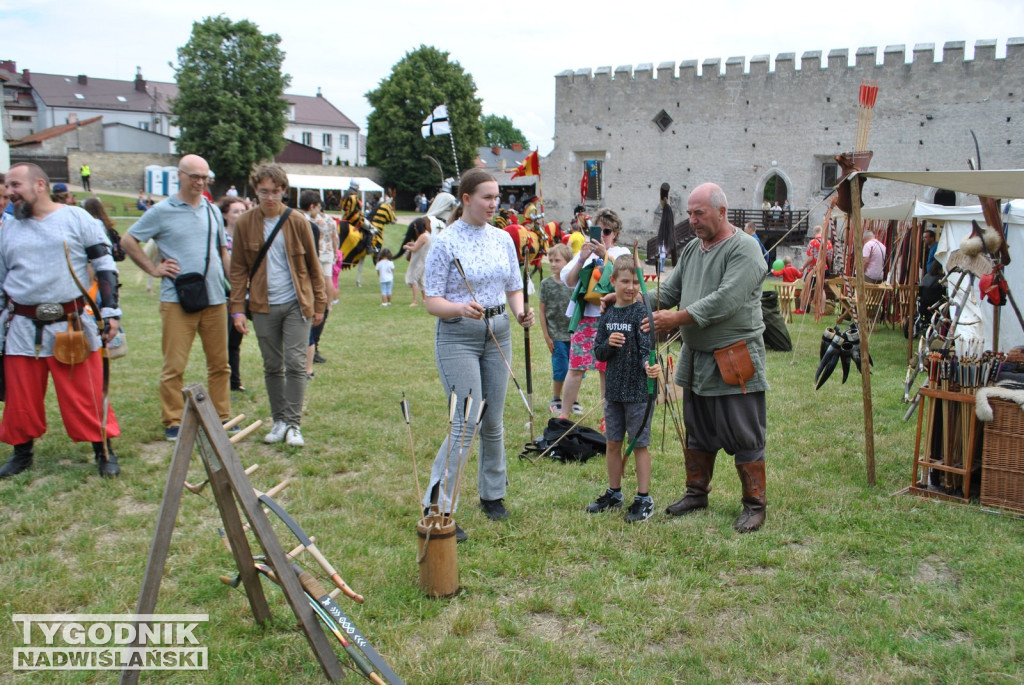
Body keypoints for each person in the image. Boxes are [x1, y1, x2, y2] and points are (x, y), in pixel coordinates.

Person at [421, 168, 535, 541]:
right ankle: (439, 508)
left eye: (497, 197)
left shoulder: (503, 239)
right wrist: (458, 309)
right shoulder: (446, 242)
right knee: (465, 421)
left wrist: (519, 312)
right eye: (487, 197)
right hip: (459, 337)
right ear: (466, 199)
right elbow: (431, 300)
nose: (494, 204)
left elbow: (513, 286)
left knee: (493, 421)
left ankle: (493, 495)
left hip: (499, 332)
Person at [650, 182, 769, 533]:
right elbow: (670, 291)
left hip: (734, 358)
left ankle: (754, 504)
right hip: (697, 357)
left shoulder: (745, 249)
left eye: (699, 213)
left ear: (721, 211)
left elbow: (725, 299)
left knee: (744, 433)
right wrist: (628, 301)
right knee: (698, 431)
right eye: (689, 213)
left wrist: (677, 319)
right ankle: (696, 492)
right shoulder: (692, 250)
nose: (693, 220)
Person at [0, 163, 121, 478]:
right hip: (22, 327)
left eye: (15, 185)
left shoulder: (77, 218)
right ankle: (22, 453)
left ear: (39, 184)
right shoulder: (8, 229)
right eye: (8, 187)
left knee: (87, 392)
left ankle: (103, 450)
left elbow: (105, 266)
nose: (10, 193)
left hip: (72, 324)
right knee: (20, 396)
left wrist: (110, 312)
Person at [121, 154, 232, 441]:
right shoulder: (162, 210)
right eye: (193, 176)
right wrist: (153, 269)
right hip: (177, 299)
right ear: (179, 176)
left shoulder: (212, 210)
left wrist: (236, 286)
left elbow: (222, 252)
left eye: (204, 177)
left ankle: (221, 416)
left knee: (220, 363)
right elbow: (128, 240)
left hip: (215, 297)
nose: (199, 182)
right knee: (174, 366)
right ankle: (172, 420)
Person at [229, 164, 326, 448]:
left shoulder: (297, 221)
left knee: (295, 363)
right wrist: (237, 308)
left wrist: (319, 303)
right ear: (255, 191)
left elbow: (313, 266)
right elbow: (237, 270)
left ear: (284, 191)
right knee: (272, 365)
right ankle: (279, 419)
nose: (270, 198)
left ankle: (294, 423)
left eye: (275, 192)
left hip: (297, 303)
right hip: (262, 305)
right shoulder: (245, 223)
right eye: (264, 192)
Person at [587, 255, 662, 522]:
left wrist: (649, 367)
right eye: (624, 282)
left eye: (634, 282)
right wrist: (609, 343)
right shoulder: (607, 315)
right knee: (613, 443)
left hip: (639, 392)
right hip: (614, 392)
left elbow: (646, 349)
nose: (630, 287)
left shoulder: (641, 312)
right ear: (613, 282)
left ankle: (643, 497)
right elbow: (598, 352)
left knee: (639, 444)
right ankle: (614, 491)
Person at [560, 207, 630, 424]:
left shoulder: (620, 253)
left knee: (606, 370)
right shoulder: (585, 253)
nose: (602, 236)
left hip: (609, 320)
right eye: (598, 230)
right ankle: (564, 414)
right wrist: (582, 258)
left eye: (607, 231)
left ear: (615, 233)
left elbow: (625, 276)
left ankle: (606, 418)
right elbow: (569, 281)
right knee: (576, 366)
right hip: (585, 319)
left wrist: (605, 256)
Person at [300, 191, 337, 367]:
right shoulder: (327, 220)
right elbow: (335, 239)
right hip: (323, 256)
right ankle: (327, 303)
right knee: (326, 279)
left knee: (325, 279)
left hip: (316, 259)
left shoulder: (299, 220)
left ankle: (326, 304)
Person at [539, 243, 573, 414]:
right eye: (550, 260)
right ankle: (556, 398)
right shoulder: (546, 284)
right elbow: (542, 310)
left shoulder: (574, 284)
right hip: (556, 335)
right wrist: (547, 336)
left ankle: (571, 399)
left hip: (573, 335)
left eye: (557, 260)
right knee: (561, 368)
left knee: (574, 370)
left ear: (568, 262)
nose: (553, 264)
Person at [219, 195, 248, 392]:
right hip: (226, 294)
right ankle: (227, 380)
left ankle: (235, 382)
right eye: (235, 211)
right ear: (225, 215)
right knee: (226, 338)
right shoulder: (220, 237)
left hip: (246, 293)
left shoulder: (248, 237)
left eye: (243, 211)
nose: (240, 215)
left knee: (236, 339)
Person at [403, 217, 431, 306]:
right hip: (424, 260)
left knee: (413, 279)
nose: (415, 228)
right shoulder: (427, 235)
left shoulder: (422, 236)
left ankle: (415, 301)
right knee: (421, 281)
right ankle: (425, 299)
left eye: (415, 226)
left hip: (419, 261)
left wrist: (407, 247)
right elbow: (418, 245)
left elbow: (415, 249)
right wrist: (412, 244)